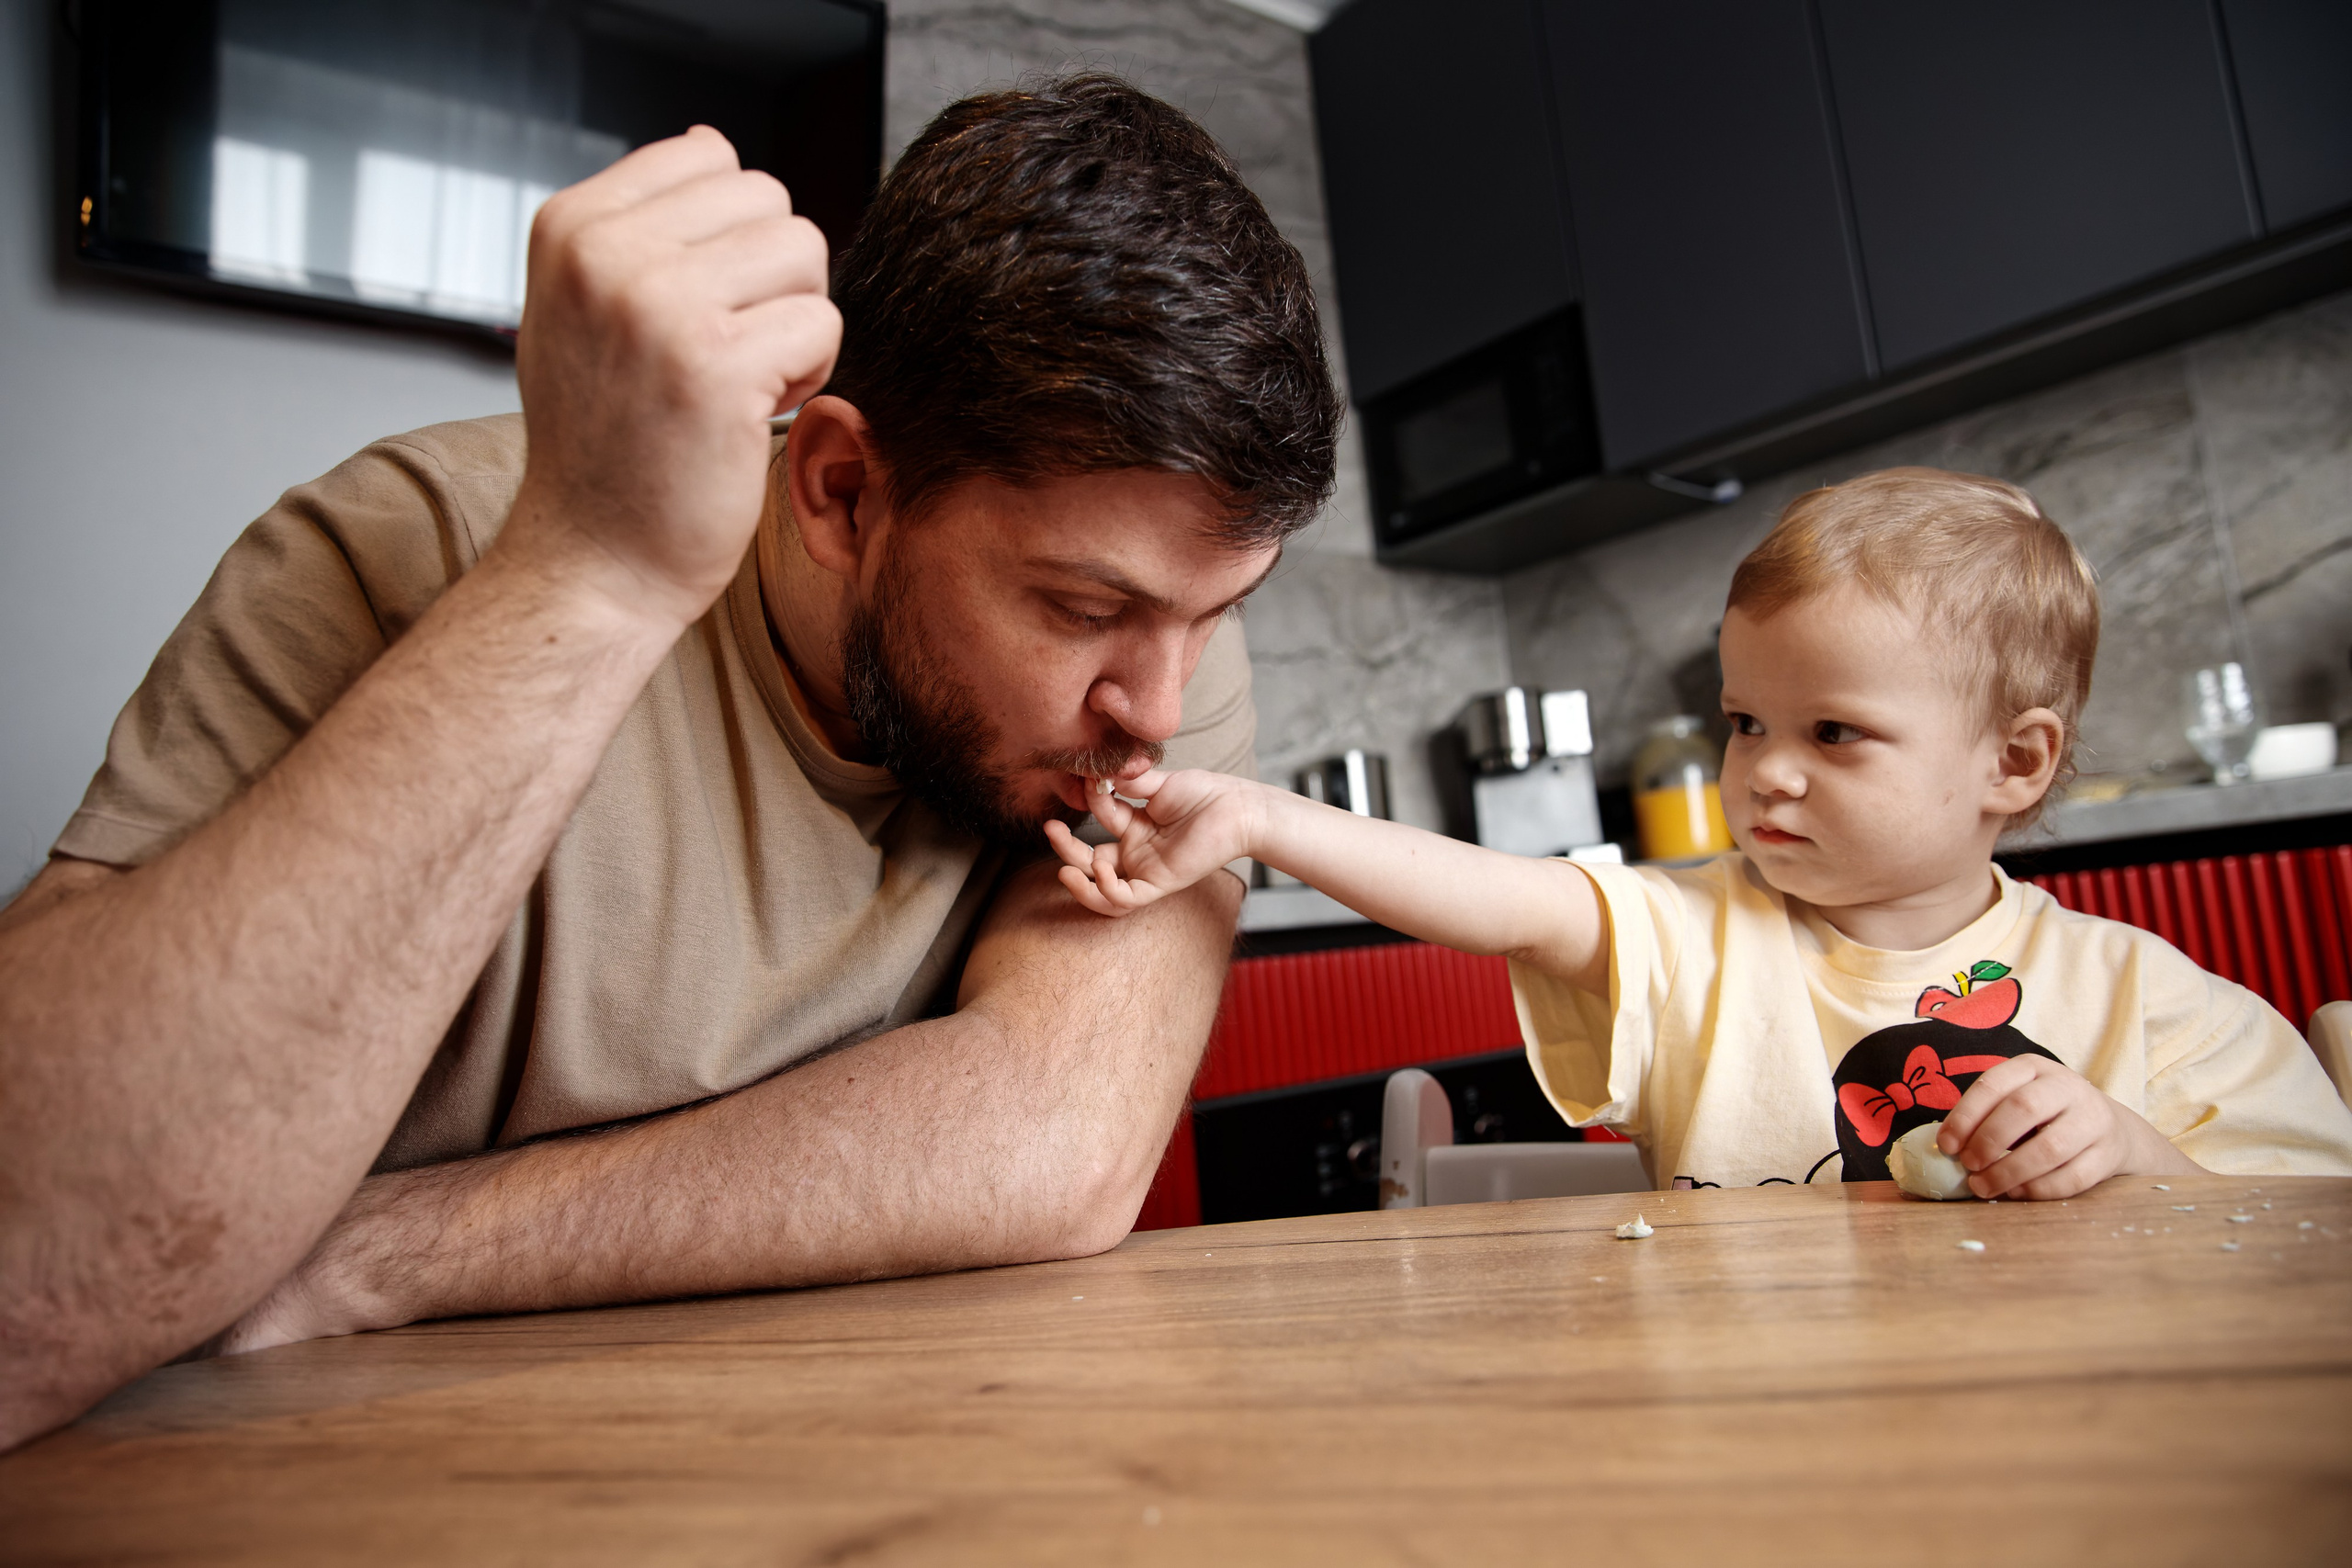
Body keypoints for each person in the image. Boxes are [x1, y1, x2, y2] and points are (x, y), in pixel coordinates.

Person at [0, 74, 1340, 1450]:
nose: (1161, 713)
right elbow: (29, 1277)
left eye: (1219, 611)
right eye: (1078, 607)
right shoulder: (403, 550)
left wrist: (369, 1256)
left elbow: (1056, 1141)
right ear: (839, 492)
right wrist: (591, 571)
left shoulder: (1153, 649)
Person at [1050, 468, 2352, 1194]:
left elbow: (2307, 1227)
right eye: (1744, 724)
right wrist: (1258, 817)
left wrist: (2132, 1156)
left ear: (2013, 763)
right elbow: (1504, 896)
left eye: (1832, 734)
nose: (1765, 775)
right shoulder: (1697, 937)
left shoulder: (2152, 1003)